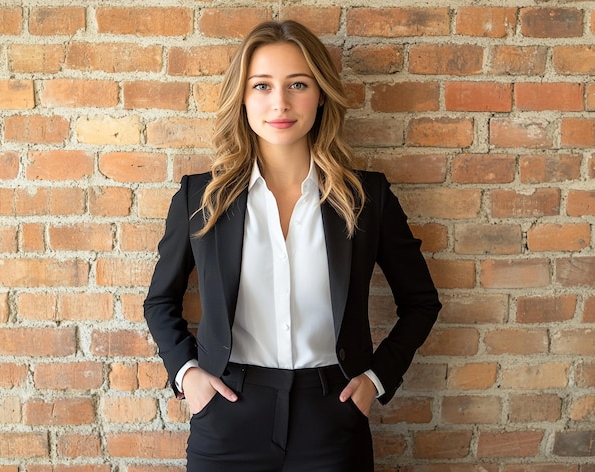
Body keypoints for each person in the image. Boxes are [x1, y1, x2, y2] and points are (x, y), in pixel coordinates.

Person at [144, 20, 441, 472]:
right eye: (261, 85)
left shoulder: (367, 198)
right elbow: (160, 300)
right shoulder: (200, 197)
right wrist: (188, 376)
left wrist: (376, 380)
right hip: (227, 416)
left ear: (320, 94)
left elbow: (421, 302)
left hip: (332, 415)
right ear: (242, 97)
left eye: (297, 84)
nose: (279, 103)